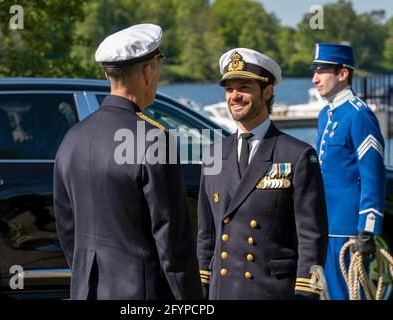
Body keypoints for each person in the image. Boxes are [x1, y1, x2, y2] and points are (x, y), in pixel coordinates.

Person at [54, 24, 202, 300]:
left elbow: (66, 227)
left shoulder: (72, 138)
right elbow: (172, 239)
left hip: (86, 290)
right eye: (158, 66)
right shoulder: (152, 139)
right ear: (147, 72)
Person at [197, 48, 328, 300]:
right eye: (229, 89)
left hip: (273, 291)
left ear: (266, 92)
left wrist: (306, 292)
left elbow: (311, 236)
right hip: (222, 291)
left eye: (244, 87)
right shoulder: (213, 154)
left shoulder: (297, 155)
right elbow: (206, 236)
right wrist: (201, 287)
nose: (234, 96)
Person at [311, 43, 386, 300]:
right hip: (325, 222)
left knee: (347, 294)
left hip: (348, 226)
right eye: (315, 70)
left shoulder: (359, 115)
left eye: (322, 70)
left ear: (342, 74)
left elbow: (372, 174)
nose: (315, 78)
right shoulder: (325, 114)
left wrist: (368, 227)